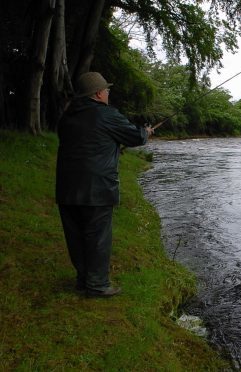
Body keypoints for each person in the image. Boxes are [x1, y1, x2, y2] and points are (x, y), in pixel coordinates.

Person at [56, 72, 154, 298]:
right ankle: (98, 285)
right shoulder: (106, 115)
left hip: (66, 188)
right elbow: (134, 137)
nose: (108, 93)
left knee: (76, 235)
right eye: (107, 90)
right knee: (98, 236)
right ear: (98, 93)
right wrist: (145, 132)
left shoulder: (67, 117)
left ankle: (83, 280)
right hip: (96, 188)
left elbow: (88, 143)